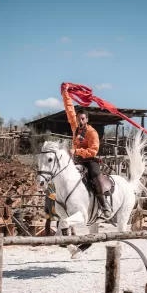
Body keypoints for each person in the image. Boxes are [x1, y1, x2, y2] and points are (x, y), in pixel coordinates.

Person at [61, 84, 112, 218]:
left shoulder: (92, 132)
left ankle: (104, 204)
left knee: (96, 177)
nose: (80, 120)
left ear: (87, 120)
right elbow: (69, 109)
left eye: (83, 119)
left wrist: (77, 151)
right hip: (77, 160)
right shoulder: (74, 127)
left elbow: (93, 151)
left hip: (89, 161)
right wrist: (65, 94)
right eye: (78, 118)